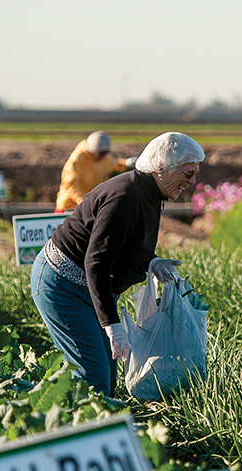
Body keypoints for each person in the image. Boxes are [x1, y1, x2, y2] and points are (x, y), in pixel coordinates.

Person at [30, 131, 205, 397]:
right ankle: (73, 430)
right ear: (160, 167)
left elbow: (129, 244)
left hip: (89, 287)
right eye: (187, 173)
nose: (191, 182)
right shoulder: (125, 197)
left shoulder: (150, 196)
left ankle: (93, 424)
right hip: (63, 284)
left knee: (106, 374)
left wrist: (152, 262)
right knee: (94, 377)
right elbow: (97, 261)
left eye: (194, 174)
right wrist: (111, 324)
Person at [55, 131, 135, 212]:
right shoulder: (77, 160)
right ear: (92, 150)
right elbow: (69, 184)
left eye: (106, 153)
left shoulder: (105, 158)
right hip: (69, 208)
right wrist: (81, 200)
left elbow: (115, 164)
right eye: (101, 153)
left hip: (89, 208)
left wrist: (127, 163)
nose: (104, 156)